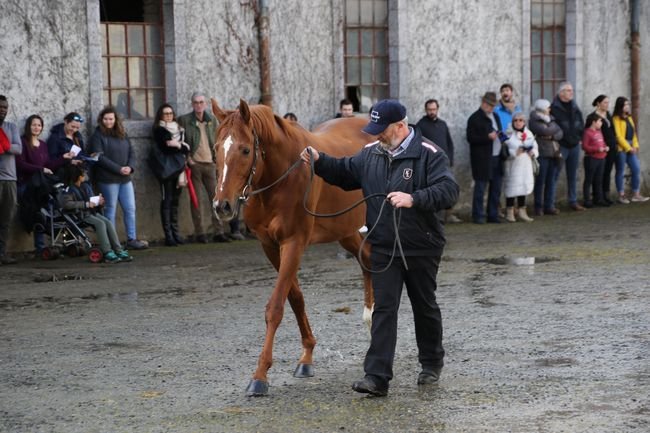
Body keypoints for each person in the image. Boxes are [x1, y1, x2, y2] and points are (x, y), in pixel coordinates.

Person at [300, 99, 459, 397]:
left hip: (420, 245)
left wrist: (414, 199)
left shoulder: (429, 154)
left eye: (381, 129)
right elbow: (345, 171)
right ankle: (376, 377)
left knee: (424, 305)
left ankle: (431, 362)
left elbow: (449, 191)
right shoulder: (371, 153)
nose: (376, 134)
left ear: (400, 126)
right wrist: (319, 160)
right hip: (384, 245)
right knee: (384, 308)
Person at [178, 92, 238, 243]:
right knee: (196, 201)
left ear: (205, 104)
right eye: (196, 102)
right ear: (192, 104)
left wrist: (217, 161)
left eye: (201, 102)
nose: (199, 105)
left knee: (216, 198)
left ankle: (219, 231)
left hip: (210, 164)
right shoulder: (185, 120)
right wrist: (188, 158)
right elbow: (180, 141)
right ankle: (200, 233)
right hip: (194, 165)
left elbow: (218, 140)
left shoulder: (212, 120)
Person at [87, 106, 148, 250]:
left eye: (111, 119)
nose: (108, 121)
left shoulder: (122, 133)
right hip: (108, 179)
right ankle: (112, 243)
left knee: (130, 209)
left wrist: (130, 167)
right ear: (101, 120)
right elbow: (99, 157)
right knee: (110, 210)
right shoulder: (97, 136)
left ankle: (131, 239)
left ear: (115, 120)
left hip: (125, 179)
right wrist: (118, 169)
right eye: (105, 119)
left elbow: (132, 152)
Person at [60, 164, 133, 263]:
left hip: (90, 212)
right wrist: (85, 204)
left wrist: (99, 202)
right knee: (100, 224)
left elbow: (91, 200)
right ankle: (107, 251)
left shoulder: (85, 186)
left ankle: (118, 249)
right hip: (79, 215)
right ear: (78, 177)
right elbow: (67, 204)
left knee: (108, 222)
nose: (85, 176)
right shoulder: (69, 190)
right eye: (83, 174)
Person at [16, 115, 63, 254]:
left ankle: (46, 246)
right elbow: (21, 164)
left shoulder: (43, 145)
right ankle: (40, 247)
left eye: (39, 125)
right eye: (34, 125)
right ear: (28, 126)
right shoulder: (22, 142)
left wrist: (64, 158)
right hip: (27, 185)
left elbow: (49, 165)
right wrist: (41, 169)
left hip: (41, 186)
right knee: (37, 213)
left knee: (47, 212)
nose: (36, 127)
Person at [416, 98, 461, 223]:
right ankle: (435, 219)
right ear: (426, 110)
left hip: (444, 165)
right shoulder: (421, 125)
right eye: (429, 110)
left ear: (437, 109)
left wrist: (450, 160)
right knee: (433, 191)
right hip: (429, 166)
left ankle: (448, 215)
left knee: (446, 189)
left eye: (434, 109)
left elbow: (449, 143)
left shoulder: (442, 124)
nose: (432, 112)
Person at [151, 103, 189, 246]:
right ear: (160, 116)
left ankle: (176, 233)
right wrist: (181, 147)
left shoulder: (179, 129)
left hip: (179, 169)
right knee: (167, 200)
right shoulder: (159, 129)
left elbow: (185, 148)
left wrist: (178, 145)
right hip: (166, 170)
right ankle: (168, 236)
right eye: (165, 113)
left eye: (170, 113)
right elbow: (167, 148)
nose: (168, 116)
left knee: (175, 201)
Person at [467, 91, 503, 224]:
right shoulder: (474, 118)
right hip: (482, 158)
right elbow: (471, 138)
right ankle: (478, 215)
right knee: (481, 187)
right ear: (483, 103)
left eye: (493, 105)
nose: (492, 108)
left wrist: (503, 136)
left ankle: (493, 215)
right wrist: (487, 137)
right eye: (490, 105)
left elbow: (498, 131)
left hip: (497, 155)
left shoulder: (495, 116)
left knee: (496, 187)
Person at [550, 82, 585, 211]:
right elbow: (553, 127)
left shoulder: (575, 107)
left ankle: (573, 201)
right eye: (568, 90)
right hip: (561, 146)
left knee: (572, 174)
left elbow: (580, 123)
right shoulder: (554, 108)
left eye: (571, 90)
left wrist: (579, 137)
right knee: (554, 174)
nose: (571, 92)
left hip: (574, 145)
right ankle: (550, 203)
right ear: (561, 93)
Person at [529, 99, 563, 216]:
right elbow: (544, 130)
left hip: (554, 153)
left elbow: (560, 132)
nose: (550, 109)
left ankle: (549, 206)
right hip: (542, 153)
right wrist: (552, 131)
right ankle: (538, 207)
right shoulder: (534, 120)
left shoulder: (551, 119)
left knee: (551, 181)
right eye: (548, 107)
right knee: (540, 181)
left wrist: (552, 136)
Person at [502, 112, 538, 222]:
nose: (518, 122)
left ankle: (522, 211)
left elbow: (535, 147)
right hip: (513, 165)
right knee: (512, 188)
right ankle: (510, 212)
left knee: (523, 186)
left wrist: (533, 153)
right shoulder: (508, 134)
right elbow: (504, 150)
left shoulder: (529, 133)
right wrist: (514, 153)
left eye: (520, 120)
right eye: (515, 120)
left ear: (524, 122)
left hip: (525, 165)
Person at [612, 97, 649, 203]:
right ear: (620, 106)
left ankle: (636, 195)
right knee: (620, 171)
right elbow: (618, 136)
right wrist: (628, 148)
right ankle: (621, 196)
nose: (628, 106)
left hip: (631, 147)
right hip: (621, 148)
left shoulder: (629, 117)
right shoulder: (615, 118)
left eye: (628, 104)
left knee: (636, 169)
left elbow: (633, 134)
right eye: (625, 104)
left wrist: (636, 146)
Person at [0, 95, 22, 264]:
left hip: (9, 179)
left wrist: (5, 146)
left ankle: (1, 253)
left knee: (6, 219)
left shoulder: (11, 127)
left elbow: (18, 148)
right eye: (0, 107)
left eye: (5, 107)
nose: (3, 110)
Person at [591, 95, 617, 205]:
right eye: (605, 102)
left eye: (608, 102)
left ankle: (606, 195)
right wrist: (602, 145)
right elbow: (592, 133)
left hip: (611, 147)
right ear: (598, 103)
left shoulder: (608, 114)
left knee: (607, 171)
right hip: (601, 148)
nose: (607, 105)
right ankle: (598, 197)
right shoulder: (592, 117)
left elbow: (612, 130)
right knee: (599, 173)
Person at [581, 113, 610, 208]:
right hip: (591, 159)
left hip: (601, 158)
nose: (601, 123)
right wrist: (597, 149)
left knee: (599, 180)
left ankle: (598, 199)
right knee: (589, 180)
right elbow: (585, 146)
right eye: (599, 121)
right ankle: (587, 200)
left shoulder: (599, 131)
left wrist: (605, 147)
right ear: (593, 122)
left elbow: (602, 142)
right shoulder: (587, 132)